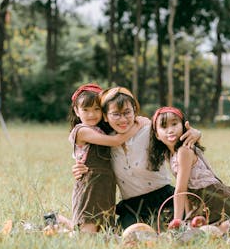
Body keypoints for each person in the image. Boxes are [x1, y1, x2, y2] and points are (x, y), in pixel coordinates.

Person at [72, 86, 202, 230]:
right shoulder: (104, 141)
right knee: (129, 235)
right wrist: (78, 167)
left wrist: (195, 133)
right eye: (116, 114)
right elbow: (87, 156)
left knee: (180, 230)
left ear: (135, 110)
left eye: (127, 112)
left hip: (163, 197)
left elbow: (174, 133)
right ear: (105, 116)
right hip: (132, 205)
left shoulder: (150, 131)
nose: (123, 119)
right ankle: (59, 221)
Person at [68, 83, 146, 233]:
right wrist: (137, 125)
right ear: (77, 111)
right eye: (86, 110)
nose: (91, 114)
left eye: (96, 109)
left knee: (105, 231)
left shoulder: (103, 130)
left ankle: (62, 223)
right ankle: (57, 223)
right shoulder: (81, 131)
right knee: (88, 231)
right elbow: (116, 141)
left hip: (107, 187)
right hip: (90, 186)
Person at [148, 106, 230, 228]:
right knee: (194, 227)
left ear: (183, 126)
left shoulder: (184, 151)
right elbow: (186, 192)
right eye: (164, 127)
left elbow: (180, 190)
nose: (170, 130)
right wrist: (187, 216)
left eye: (174, 124)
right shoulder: (170, 155)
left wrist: (176, 221)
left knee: (208, 231)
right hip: (201, 200)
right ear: (157, 135)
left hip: (216, 198)